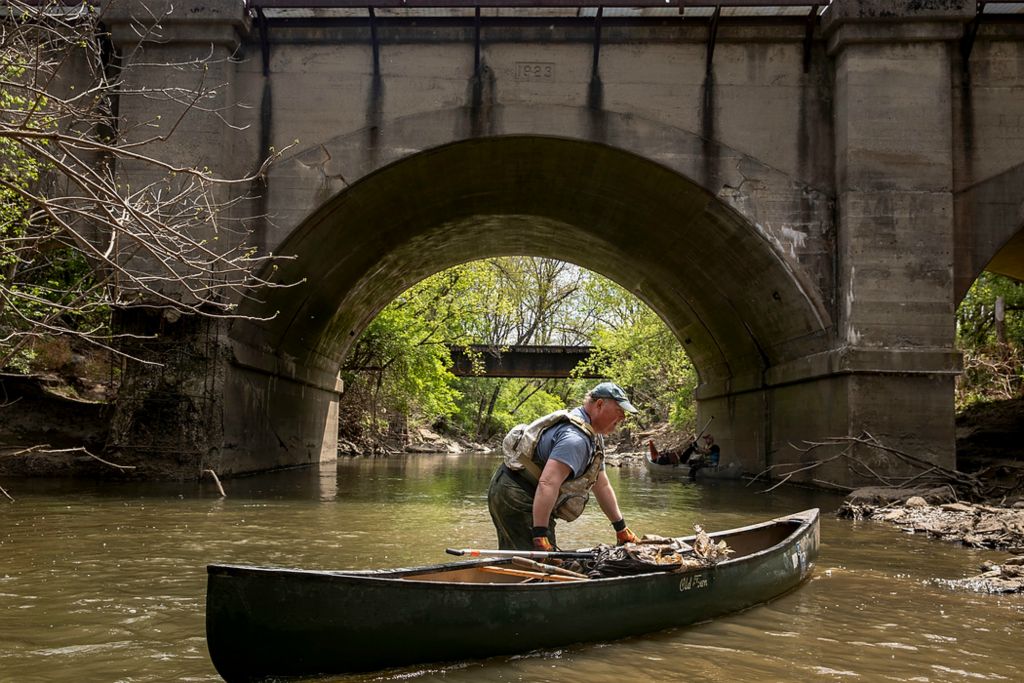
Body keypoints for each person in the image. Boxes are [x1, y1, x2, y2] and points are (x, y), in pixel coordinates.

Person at [487, 382, 641, 551]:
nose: (623, 418)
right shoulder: (575, 439)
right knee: (540, 563)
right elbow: (548, 483)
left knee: (522, 558)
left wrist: (621, 528)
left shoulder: (593, 435)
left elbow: (601, 484)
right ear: (599, 405)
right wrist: (539, 535)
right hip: (517, 494)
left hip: (516, 489)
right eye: (620, 411)